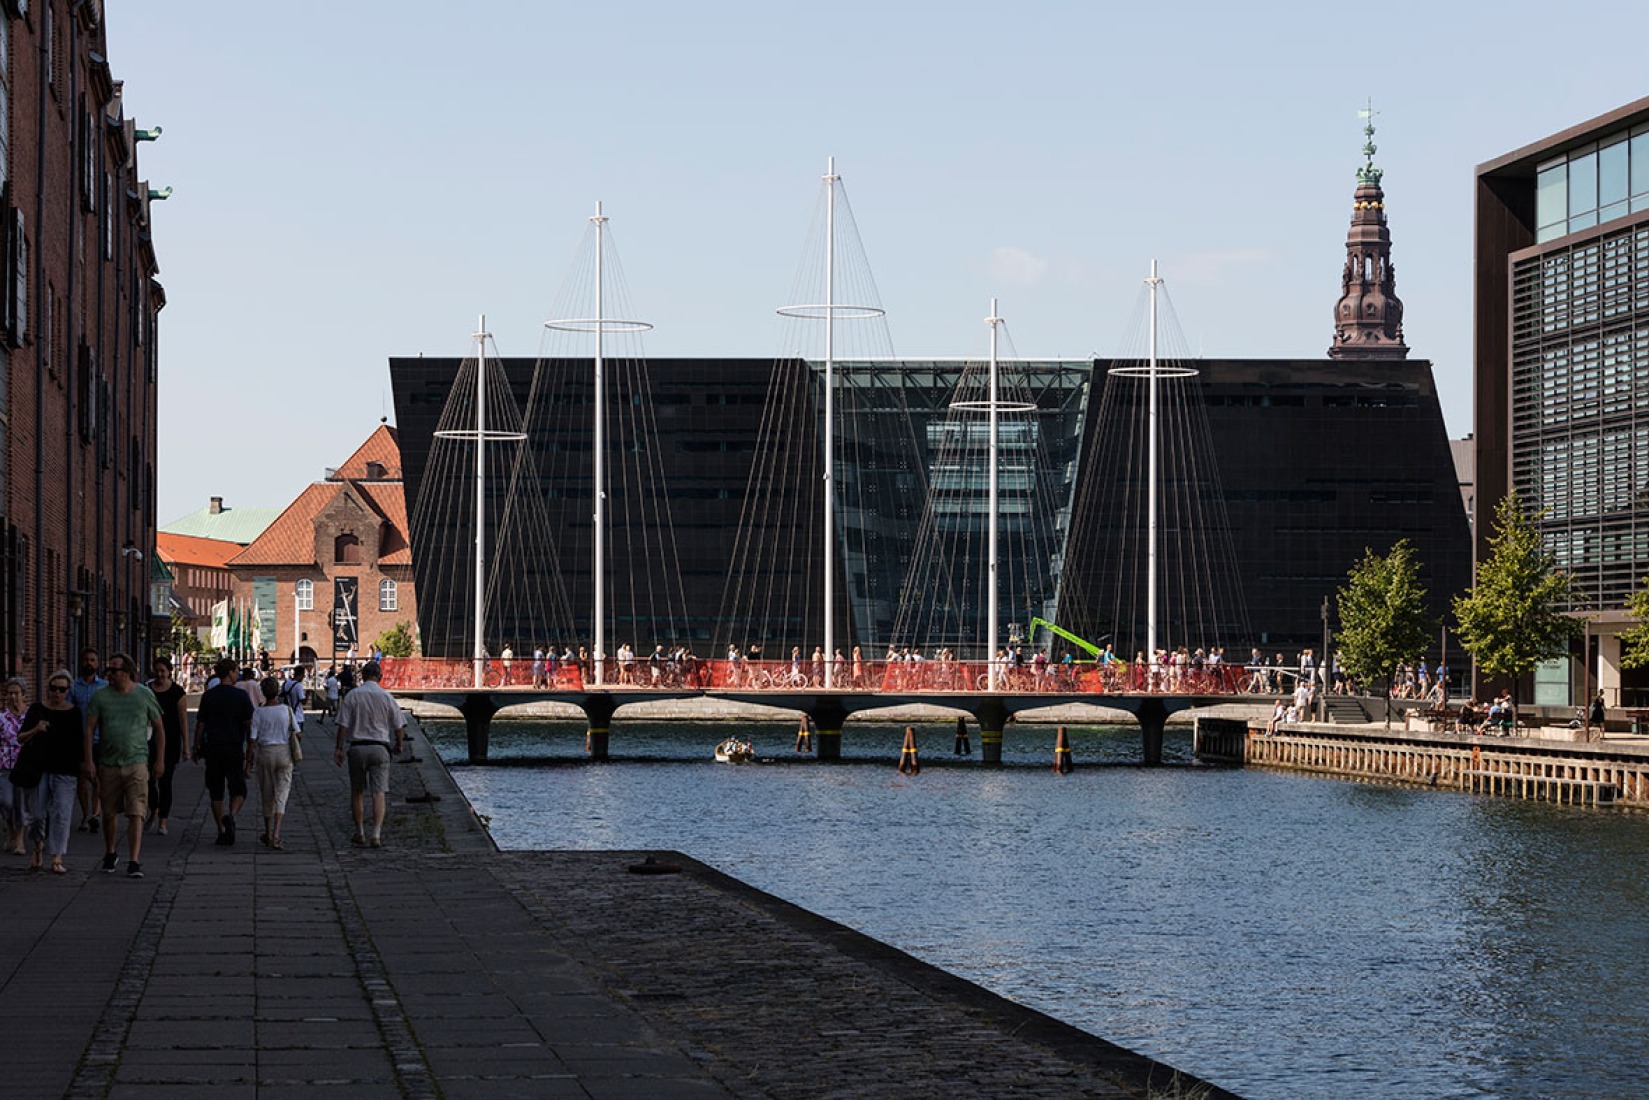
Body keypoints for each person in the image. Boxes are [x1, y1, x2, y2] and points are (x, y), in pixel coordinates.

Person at [83, 653, 165, 878]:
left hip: (137, 762)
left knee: (136, 812)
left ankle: (134, 859)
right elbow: (89, 729)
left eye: (113, 670)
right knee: (109, 813)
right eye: (108, 670)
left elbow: (159, 727)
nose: (108, 674)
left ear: (127, 673)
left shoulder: (144, 695)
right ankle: (110, 852)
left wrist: (159, 759)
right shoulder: (101, 697)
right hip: (108, 763)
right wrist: (89, 760)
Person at [333, 662, 405, 848]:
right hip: (380, 748)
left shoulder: (353, 696)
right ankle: (376, 834)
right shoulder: (387, 697)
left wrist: (339, 748)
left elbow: (343, 725)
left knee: (357, 792)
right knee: (378, 792)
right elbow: (398, 726)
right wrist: (399, 744)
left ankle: (360, 832)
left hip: (357, 747)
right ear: (379, 676)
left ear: (362, 676)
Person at [17, 670, 83, 873]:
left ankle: (57, 857)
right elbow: (21, 737)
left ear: (68, 691)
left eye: (61, 689)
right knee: (37, 815)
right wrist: (36, 729)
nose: (57, 693)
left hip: (65, 771)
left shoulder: (73, 712)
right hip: (39, 770)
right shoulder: (37, 710)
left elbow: (79, 742)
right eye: (53, 688)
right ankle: (38, 846)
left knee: (61, 814)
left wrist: (82, 767)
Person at [194, 657, 255, 845]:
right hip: (233, 747)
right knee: (239, 788)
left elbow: (201, 724)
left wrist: (195, 746)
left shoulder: (209, 696)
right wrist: (250, 749)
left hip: (212, 747)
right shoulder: (241, 696)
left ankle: (221, 830)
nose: (237, 674)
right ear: (229, 673)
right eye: (236, 671)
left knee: (216, 790)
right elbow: (248, 725)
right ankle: (232, 815)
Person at [249, 677, 298, 850]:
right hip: (284, 752)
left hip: (265, 754)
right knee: (282, 794)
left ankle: (268, 832)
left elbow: (252, 740)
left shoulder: (258, 712)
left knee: (267, 794)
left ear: (262, 692)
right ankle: (277, 833)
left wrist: (248, 763)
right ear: (277, 691)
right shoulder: (287, 711)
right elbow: (297, 733)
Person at [146, 657, 189, 836]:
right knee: (148, 780)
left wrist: (186, 744)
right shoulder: (147, 690)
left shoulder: (177, 692)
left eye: (163, 671)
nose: (160, 674)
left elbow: (183, 720)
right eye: (157, 670)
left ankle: (163, 820)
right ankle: (153, 807)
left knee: (166, 781)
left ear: (169, 671)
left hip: (170, 740)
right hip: (148, 739)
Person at [68, 647, 107, 832]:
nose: (89, 663)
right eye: (86, 660)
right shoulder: (74, 687)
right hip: (81, 740)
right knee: (82, 781)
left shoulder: (105, 687)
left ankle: (95, 813)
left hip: (101, 739)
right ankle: (85, 815)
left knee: (98, 779)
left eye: (92, 660)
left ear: (97, 664)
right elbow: (68, 710)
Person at [1, 677, 27, 854]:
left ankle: (19, 840)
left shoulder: (30, 715)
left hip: (24, 765)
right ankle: (9, 828)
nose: (12, 696)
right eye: (9, 693)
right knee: (6, 801)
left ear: (23, 695)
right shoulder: (1, 717)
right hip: (4, 764)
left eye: (16, 693)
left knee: (21, 804)